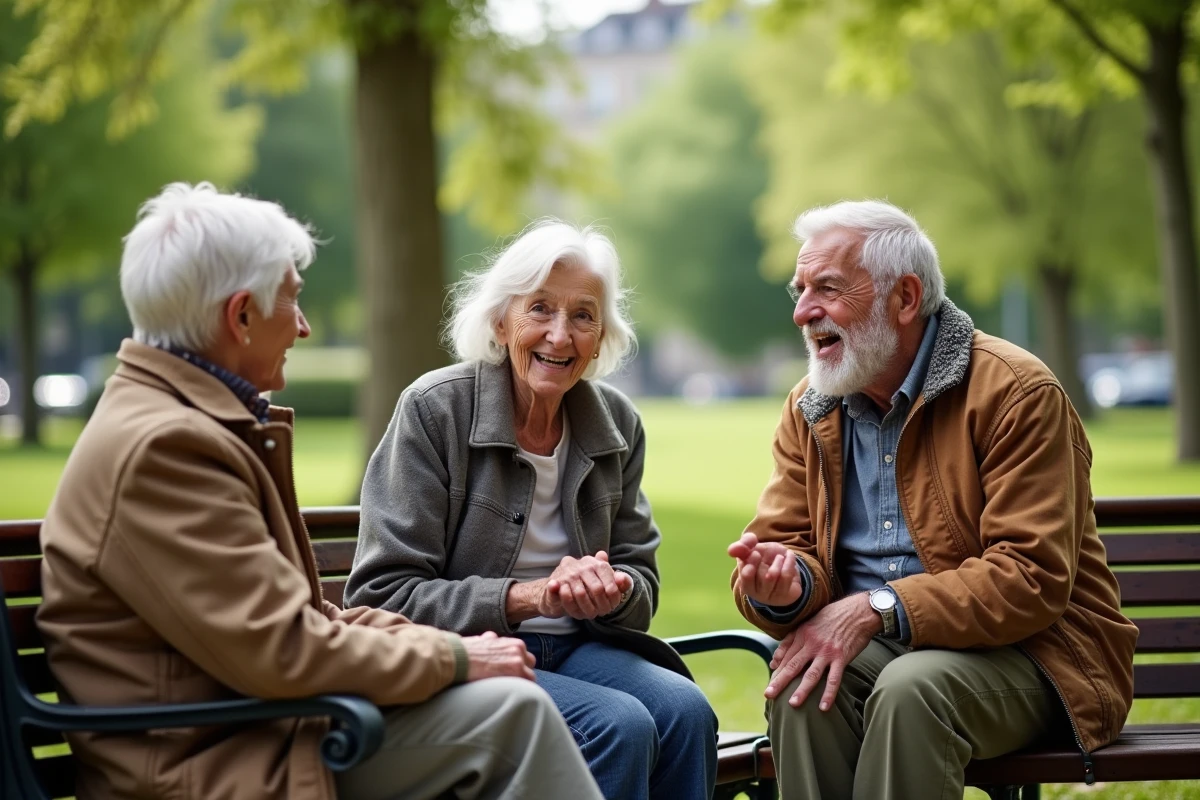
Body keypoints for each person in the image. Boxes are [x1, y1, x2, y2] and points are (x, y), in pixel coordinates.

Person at [36, 183, 601, 800]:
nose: (303, 327)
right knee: (512, 715)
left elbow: (303, 622)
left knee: (519, 705)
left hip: (267, 729)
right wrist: (458, 661)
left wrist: (450, 647)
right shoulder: (165, 450)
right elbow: (286, 648)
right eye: (293, 301)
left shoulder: (188, 426)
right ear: (241, 314)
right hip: (213, 763)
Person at [727, 200, 1137, 800]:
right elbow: (786, 543)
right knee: (806, 685)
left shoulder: (1016, 391)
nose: (802, 312)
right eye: (800, 289)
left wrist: (876, 607)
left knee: (910, 689)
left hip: (1038, 656)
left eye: (828, 289)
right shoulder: (810, 406)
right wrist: (785, 588)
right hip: (887, 652)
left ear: (905, 298)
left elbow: (1031, 577)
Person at [344, 219, 718, 800]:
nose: (561, 336)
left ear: (602, 335)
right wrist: (530, 597)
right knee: (618, 725)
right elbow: (382, 595)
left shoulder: (616, 424)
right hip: (471, 655)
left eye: (583, 315)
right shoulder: (434, 410)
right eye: (540, 309)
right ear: (501, 320)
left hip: (582, 648)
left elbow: (641, 582)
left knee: (685, 711)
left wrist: (612, 590)